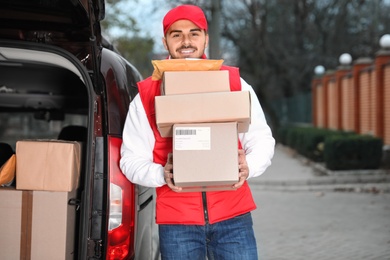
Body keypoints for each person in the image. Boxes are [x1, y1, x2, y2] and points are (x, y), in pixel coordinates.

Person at [120, 4, 275, 260]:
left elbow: (261, 139)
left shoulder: (234, 83)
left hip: (233, 216)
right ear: (165, 41)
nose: (186, 41)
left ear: (206, 38)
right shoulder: (147, 95)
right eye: (176, 34)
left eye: (194, 33)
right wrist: (160, 173)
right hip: (177, 223)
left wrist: (250, 164)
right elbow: (130, 159)